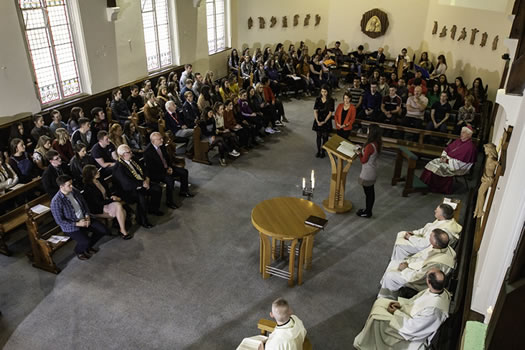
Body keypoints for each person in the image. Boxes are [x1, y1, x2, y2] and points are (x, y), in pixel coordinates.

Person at [354, 269, 451, 350]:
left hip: (411, 332)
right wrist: (400, 304)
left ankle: (368, 344)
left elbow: (413, 327)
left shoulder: (434, 311)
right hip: (407, 315)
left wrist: (396, 312)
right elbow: (415, 301)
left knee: (377, 317)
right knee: (380, 302)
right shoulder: (439, 291)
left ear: (428, 282)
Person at [378, 229, 456, 299]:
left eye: (430, 237)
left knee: (390, 276)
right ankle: (385, 287)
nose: (428, 238)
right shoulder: (445, 247)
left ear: (435, 242)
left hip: (421, 282)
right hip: (420, 268)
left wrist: (405, 269)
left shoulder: (436, 263)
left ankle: (386, 298)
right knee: (395, 262)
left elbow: (419, 278)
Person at [50, 175, 109, 260]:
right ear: (61, 186)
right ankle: (79, 251)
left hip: (84, 218)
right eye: (69, 185)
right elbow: (60, 221)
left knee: (103, 230)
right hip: (71, 226)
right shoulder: (56, 201)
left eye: (71, 184)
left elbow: (84, 204)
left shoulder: (74, 191)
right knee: (85, 241)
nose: (71, 186)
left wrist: (87, 216)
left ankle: (87, 247)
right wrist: (77, 223)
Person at [112, 144, 161, 228]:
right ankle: (142, 220)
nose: (131, 153)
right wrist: (142, 184)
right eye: (129, 152)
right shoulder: (118, 167)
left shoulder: (133, 159)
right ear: (122, 155)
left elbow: (144, 169)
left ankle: (153, 209)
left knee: (157, 189)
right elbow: (126, 183)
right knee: (142, 198)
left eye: (130, 151)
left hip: (142, 182)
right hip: (129, 190)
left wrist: (147, 179)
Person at [391, 203, 462, 261]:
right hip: (424, 239)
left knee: (400, 245)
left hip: (426, 247)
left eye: (437, 211)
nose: (434, 211)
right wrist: (415, 233)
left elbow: (424, 244)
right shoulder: (445, 220)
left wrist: (410, 238)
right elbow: (428, 227)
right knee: (401, 233)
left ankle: (397, 262)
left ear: (442, 215)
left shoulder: (442, 229)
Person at [144, 132, 194, 209]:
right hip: (157, 173)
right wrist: (165, 171)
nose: (162, 140)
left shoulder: (162, 145)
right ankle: (169, 201)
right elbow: (152, 168)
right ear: (153, 141)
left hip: (167, 168)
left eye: (161, 138)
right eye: (159, 139)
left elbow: (167, 158)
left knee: (184, 172)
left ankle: (183, 191)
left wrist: (169, 167)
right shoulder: (148, 152)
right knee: (170, 180)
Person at [420, 126, 477, 194]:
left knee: (437, 167)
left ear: (469, 135)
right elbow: (447, 149)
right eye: (461, 132)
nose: (461, 134)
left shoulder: (470, 147)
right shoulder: (458, 140)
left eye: (464, 132)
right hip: (448, 160)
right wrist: (443, 156)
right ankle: (422, 183)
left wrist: (446, 161)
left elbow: (461, 164)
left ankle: (433, 187)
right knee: (432, 162)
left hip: (457, 167)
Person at [81, 165, 132, 239]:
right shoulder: (88, 187)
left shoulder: (100, 180)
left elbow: (108, 193)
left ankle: (121, 230)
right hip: (97, 208)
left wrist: (112, 197)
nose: (98, 172)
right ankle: (122, 231)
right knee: (121, 210)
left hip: (106, 203)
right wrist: (113, 199)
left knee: (120, 207)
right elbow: (98, 202)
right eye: (96, 172)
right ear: (91, 175)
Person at [238, 298, 307, 350]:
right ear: (290, 311)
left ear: (271, 315)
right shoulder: (296, 319)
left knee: (247, 342)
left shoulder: (276, 342)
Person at [356, 124, 381, 218]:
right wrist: (362, 149)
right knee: (370, 193)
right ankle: (367, 210)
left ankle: (368, 212)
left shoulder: (370, 145)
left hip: (368, 172)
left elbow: (363, 160)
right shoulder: (375, 143)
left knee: (369, 194)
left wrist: (359, 153)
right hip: (372, 170)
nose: (367, 131)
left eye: (368, 130)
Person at [312, 85, 334, 158]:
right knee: (318, 136)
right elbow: (315, 110)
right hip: (318, 119)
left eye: (325, 92)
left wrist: (324, 121)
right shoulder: (318, 99)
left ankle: (323, 151)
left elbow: (330, 113)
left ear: (328, 92)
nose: (323, 93)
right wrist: (317, 120)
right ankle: (318, 150)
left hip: (326, 120)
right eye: (322, 91)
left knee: (325, 136)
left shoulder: (331, 100)